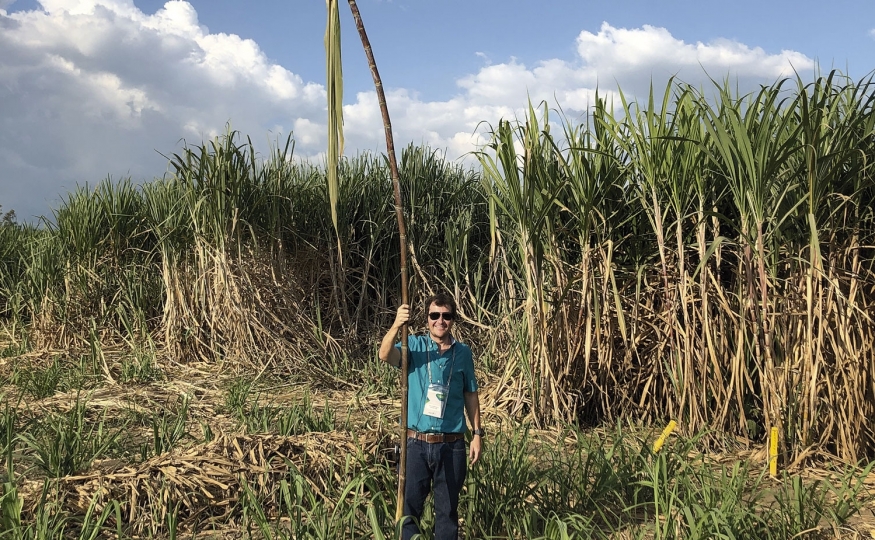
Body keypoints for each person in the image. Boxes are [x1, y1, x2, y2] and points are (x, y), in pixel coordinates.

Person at [378, 293, 483, 540]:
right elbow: (384, 354)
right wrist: (396, 324)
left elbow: (470, 394)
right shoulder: (412, 345)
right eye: (434, 315)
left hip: (451, 445)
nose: (440, 321)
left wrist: (477, 433)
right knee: (409, 512)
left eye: (446, 316)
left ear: (453, 320)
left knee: (447, 514)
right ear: (427, 319)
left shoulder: (464, 354)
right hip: (416, 444)